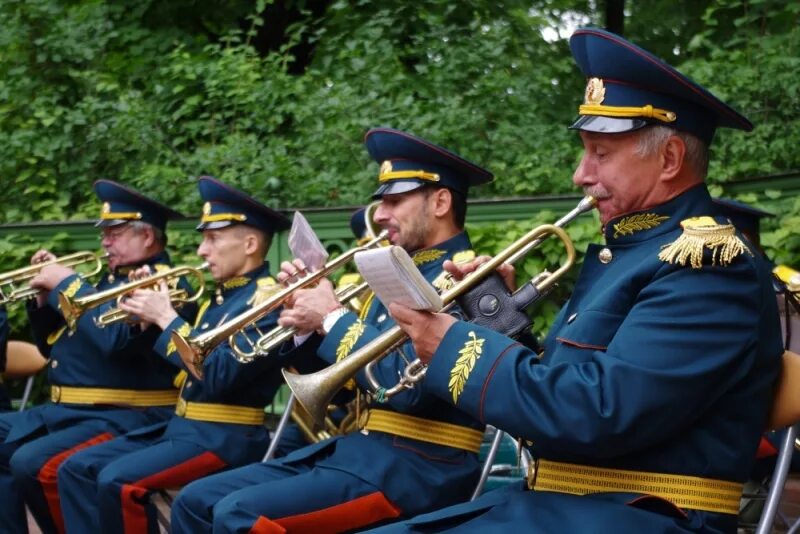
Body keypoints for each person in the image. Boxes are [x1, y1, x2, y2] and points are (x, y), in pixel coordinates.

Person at [374, 28, 784, 533]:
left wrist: (457, 346)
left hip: (642, 516)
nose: (580, 174)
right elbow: (577, 388)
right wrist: (493, 316)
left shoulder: (707, 265)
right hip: (570, 506)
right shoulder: (632, 254)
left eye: (600, 153)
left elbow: (600, 413)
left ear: (670, 158)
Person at [170, 127, 493, 533]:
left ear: (441, 201)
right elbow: (343, 389)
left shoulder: (468, 277)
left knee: (240, 515)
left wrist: (333, 319)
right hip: (362, 450)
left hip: (422, 465)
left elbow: (407, 390)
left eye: (394, 201)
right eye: (380, 202)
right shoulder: (394, 273)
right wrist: (305, 325)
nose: (379, 215)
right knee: (196, 502)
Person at [56, 176, 294, 533]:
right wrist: (142, 325)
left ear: (248, 243)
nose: (201, 250)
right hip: (184, 426)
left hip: (228, 434)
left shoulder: (265, 300)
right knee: (76, 468)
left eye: (212, 239)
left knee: (118, 482)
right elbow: (175, 372)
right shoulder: (220, 300)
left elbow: (218, 377)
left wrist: (165, 318)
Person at [0, 180, 191, 534]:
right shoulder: (102, 284)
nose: (104, 241)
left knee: (33, 463)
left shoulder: (163, 283)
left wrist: (68, 284)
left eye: (114, 233)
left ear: (147, 237)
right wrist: (45, 299)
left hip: (125, 414)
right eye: (104, 233)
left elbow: (114, 340)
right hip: (67, 411)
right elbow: (51, 347)